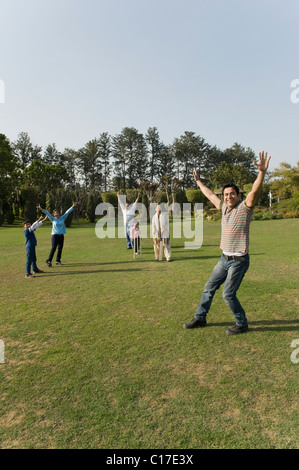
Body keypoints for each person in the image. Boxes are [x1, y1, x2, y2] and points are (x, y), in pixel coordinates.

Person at [184, 151, 271, 335]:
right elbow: (209, 195)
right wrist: (198, 181)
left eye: (232, 194)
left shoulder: (245, 208)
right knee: (209, 288)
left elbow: (254, 192)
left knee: (228, 294)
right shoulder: (223, 208)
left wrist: (261, 173)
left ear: (238, 195)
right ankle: (200, 318)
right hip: (223, 259)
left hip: (239, 261)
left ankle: (241, 323)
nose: (228, 197)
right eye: (226, 194)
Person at [36, 202, 77, 267]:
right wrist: (41, 208)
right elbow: (47, 213)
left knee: (60, 248)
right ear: (54, 214)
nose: (56, 214)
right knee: (54, 248)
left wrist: (72, 206)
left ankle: (58, 260)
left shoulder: (62, 218)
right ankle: (49, 260)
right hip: (55, 236)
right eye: (55, 213)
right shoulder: (52, 219)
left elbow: (67, 212)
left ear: (59, 214)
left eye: (57, 213)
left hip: (61, 235)